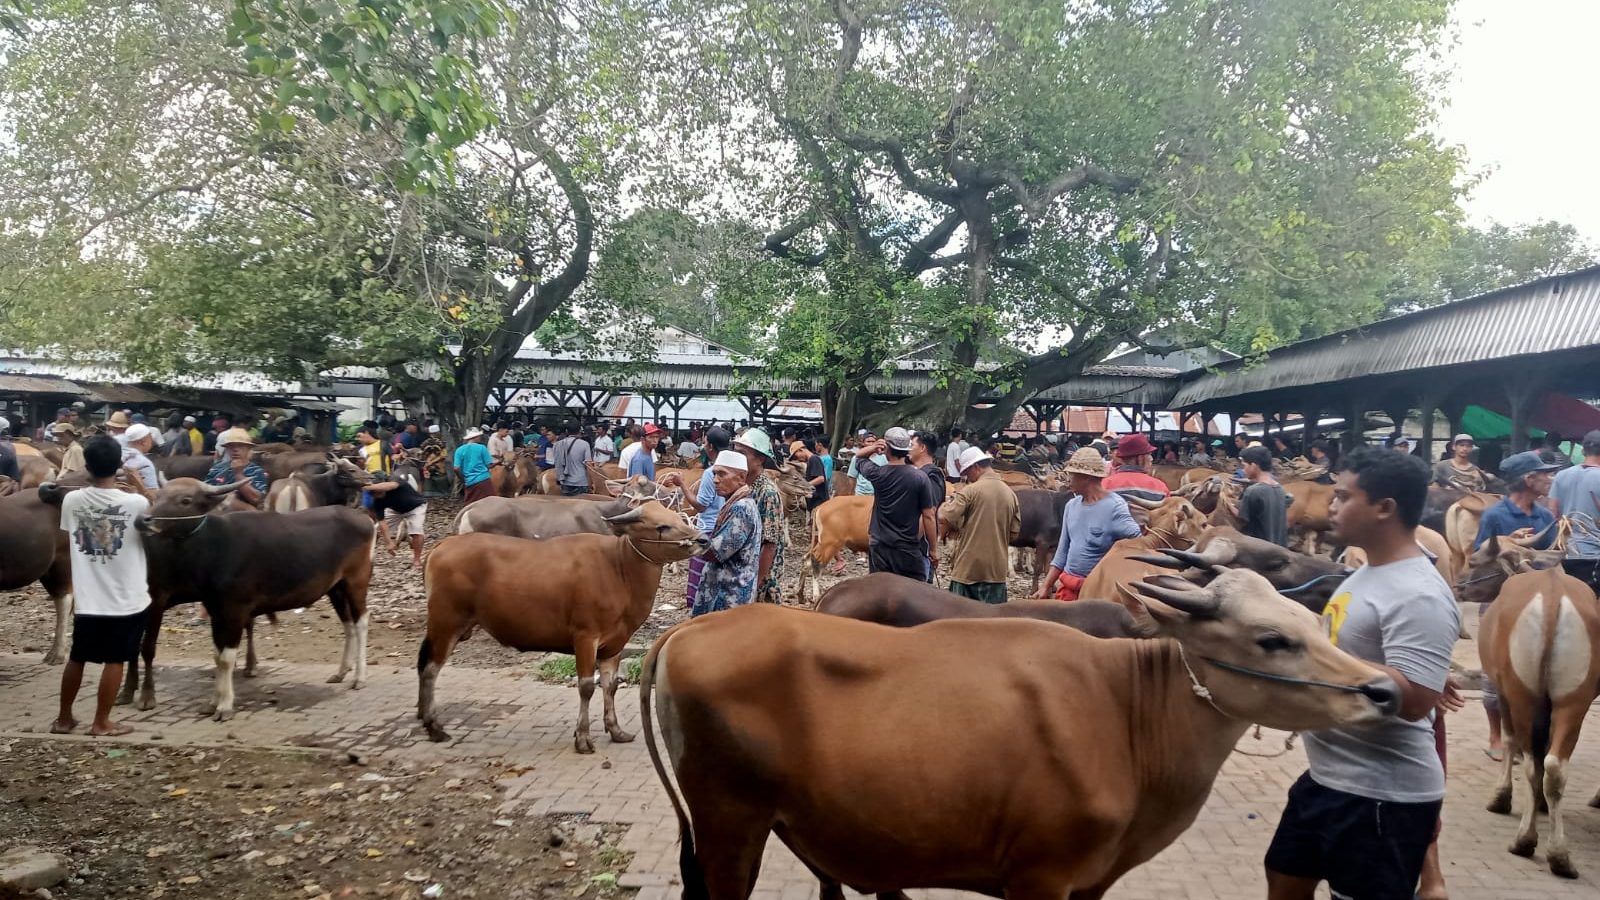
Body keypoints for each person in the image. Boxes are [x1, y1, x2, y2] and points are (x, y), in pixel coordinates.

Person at [1264, 448, 1459, 900]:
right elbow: (1354, 654)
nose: (1331, 505)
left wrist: (1309, 650)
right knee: (1282, 878)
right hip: (1327, 777)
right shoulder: (1366, 572)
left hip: (1382, 797)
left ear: (1384, 508)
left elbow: (1416, 701)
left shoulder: (1418, 593)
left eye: (1343, 496)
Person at [50, 435, 153, 737]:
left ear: (87, 465)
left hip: (88, 599)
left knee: (78, 657)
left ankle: (63, 719)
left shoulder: (72, 500)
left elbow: (72, 528)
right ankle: (101, 723)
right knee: (115, 659)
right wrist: (139, 485)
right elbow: (154, 519)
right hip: (126, 599)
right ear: (119, 464)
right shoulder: (136, 502)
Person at [1035, 447, 1141, 601]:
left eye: (1072, 475)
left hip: (1097, 593)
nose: (1069, 480)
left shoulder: (1115, 507)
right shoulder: (1071, 506)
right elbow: (1062, 552)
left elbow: (1138, 544)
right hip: (1069, 587)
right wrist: (1046, 586)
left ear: (1086, 477)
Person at [853, 428, 938, 582]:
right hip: (907, 547)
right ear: (906, 449)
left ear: (886, 448)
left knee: (881, 590)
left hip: (880, 546)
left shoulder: (877, 474)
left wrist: (874, 448)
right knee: (913, 590)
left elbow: (858, 457)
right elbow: (929, 516)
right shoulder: (920, 478)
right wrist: (933, 549)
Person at [939, 447, 1020, 604]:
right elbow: (1014, 534)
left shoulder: (970, 491)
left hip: (968, 571)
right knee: (992, 618)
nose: (967, 477)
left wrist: (943, 506)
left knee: (961, 616)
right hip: (996, 573)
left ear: (975, 467)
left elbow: (945, 516)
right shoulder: (1011, 495)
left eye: (966, 472)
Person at [691, 450, 764, 617]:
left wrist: (687, 536)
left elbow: (715, 553)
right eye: (714, 474)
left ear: (741, 478)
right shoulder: (736, 504)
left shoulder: (741, 509)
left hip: (727, 600)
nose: (715, 480)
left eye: (722, 474)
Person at [733, 428, 786, 604]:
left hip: (758, 575)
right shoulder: (741, 486)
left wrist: (757, 582)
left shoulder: (767, 492)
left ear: (760, 459)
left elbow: (770, 543)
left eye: (743, 453)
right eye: (736, 452)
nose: (738, 458)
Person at [1474, 450, 1559, 551]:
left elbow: (1553, 554)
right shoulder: (1494, 516)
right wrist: (1507, 542)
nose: (1549, 480)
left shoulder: (1545, 516)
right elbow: (1479, 556)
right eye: (1545, 475)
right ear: (1529, 479)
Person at [1550, 429, 1600, 592]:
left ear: (1583, 450)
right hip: (1595, 557)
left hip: (1565, 555)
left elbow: (1553, 514)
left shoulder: (1561, 476)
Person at [364, 466, 429, 568]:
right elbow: (382, 522)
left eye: (377, 490)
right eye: (373, 493)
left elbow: (389, 486)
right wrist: (388, 542)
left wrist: (366, 487)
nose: (375, 494)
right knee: (376, 531)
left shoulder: (396, 481)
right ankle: (366, 557)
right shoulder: (377, 501)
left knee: (416, 530)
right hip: (395, 510)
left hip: (416, 506)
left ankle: (417, 560)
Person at [1239, 445, 1290, 546]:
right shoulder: (1280, 489)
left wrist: (1225, 502)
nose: (1243, 470)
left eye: (1244, 466)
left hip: (1260, 550)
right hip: (1280, 549)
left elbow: (1242, 519)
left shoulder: (1253, 491)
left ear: (1253, 466)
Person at [204, 428, 269, 506]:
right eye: (231, 446)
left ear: (248, 449)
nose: (235, 449)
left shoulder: (257, 471)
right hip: (216, 509)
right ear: (227, 449)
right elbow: (205, 493)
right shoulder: (217, 468)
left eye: (240, 446)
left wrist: (238, 474)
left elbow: (256, 499)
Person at [1101, 433, 1170, 503]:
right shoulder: (1160, 487)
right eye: (1149, 455)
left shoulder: (1104, 485)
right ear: (1140, 458)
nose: (1151, 459)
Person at [1432, 434, 1500, 492]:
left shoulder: (1475, 470)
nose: (1465, 449)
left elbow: (1480, 490)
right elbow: (1433, 489)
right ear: (1454, 447)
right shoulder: (1441, 466)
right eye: (1461, 445)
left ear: (1471, 448)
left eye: (1468, 446)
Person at [454, 427, 496, 505]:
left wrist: (463, 479)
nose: (480, 437)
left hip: (469, 482)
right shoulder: (482, 448)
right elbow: (489, 465)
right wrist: (498, 463)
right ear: (475, 437)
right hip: (484, 480)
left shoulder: (459, 450)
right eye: (479, 436)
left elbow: (456, 468)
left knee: (470, 505)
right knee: (490, 504)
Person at [552, 421, 592, 496]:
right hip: (581, 481)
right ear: (579, 431)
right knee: (582, 503)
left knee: (567, 502)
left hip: (565, 481)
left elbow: (555, 461)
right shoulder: (585, 444)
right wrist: (590, 482)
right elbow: (588, 464)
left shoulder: (557, 445)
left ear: (566, 431)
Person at [119, 423, 161, 490]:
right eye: (150, 438)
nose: (152, 441)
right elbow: (153, 492)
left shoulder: (118, 455)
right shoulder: (144, 463)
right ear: (144, 442)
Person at [790, 440, 830, 510]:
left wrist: (804, 486)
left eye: (796, 456)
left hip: (819, 502)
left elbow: (821, 478)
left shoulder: (813, 459)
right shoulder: (810, 461)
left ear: (800, 450)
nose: (797, 459)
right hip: (814, 503)